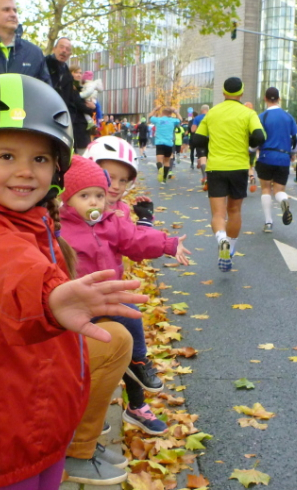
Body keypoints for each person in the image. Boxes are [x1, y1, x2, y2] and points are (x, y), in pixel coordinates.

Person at [0, 74, 147, 489]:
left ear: (57, 166)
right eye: (7, 156)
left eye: (40, 159)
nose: (25, 171)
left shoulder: (32, 221)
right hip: (7, 434)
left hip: (44, 418)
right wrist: (50, 298)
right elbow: (14, 270)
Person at [60, 154, 189, 436]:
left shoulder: (111, 221)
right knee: (80, 360)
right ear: (67, 200)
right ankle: (87, 411)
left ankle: (139, 363)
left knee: (130, 319)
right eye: (85, 196)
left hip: (108, 298)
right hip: (75, 304)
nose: (94, 202)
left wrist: (167, 244)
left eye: (99, 195)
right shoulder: (59, 228)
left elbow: (135, 239)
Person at [191, 77, 266, 272]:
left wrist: (211, 144)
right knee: (234, 211)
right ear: (241, 93)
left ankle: (221, 239)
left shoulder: (212, 113)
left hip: (216, 167)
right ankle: (230, 249)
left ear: (224, 92)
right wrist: (247, 142)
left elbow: (197, 140)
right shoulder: (248, 113)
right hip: (239, 167)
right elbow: (259, 136)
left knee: (218, 214)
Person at [255, 87, 297, 232]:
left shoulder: (262, 117)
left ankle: (268, 222)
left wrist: (252, 150)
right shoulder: (288, 117)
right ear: (279, 99)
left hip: (266, 156)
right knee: (279, 190)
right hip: (283, 157)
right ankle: (283, 200)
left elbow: (257, 138)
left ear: (265, 99)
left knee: (266, 188)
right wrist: (292, 152)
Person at [46, 37, 96, 154]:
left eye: (67, 49)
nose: (64, 51)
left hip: (64, 119)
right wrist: (89, 109)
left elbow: (71, 100)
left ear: (70, 54)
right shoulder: (45, 64)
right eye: (61, 47)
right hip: (48, 115)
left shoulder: (66, 73)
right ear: (54, 49)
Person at [149, 106, 182, 183]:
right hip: (169, 143)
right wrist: (175, 112)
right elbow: (180, 119)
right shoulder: (173, 121)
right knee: (167, 161)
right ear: (170, 114)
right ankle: (164, 179)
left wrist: (155, 109)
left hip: (159, 143)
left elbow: (150, 117)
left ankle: (160, 169)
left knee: (159, 160)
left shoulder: (158, 120)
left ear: (162, 113)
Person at [190, 106, 209, 179]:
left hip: (200, 137)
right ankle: (209, 174)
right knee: (209, 157)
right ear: (208, 110)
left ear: (201, 110)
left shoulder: (197, 118)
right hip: (210, 138)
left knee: (202, 157)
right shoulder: (212, 117)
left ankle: (204, 176)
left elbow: (193, 130)